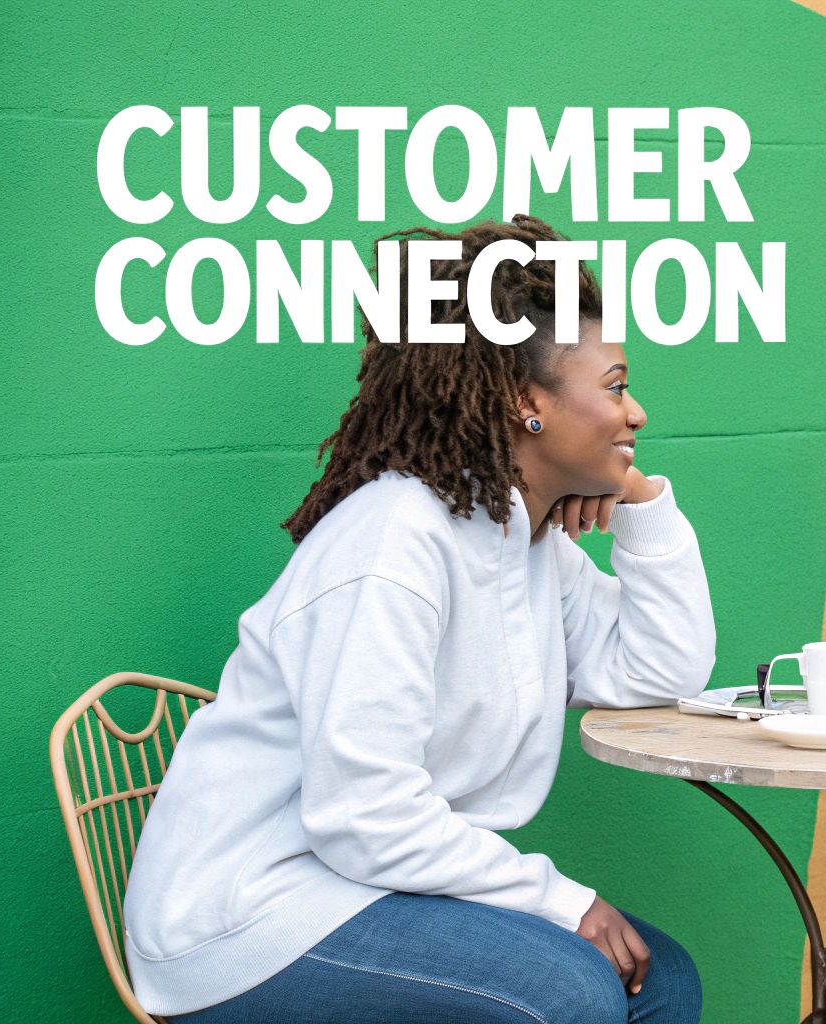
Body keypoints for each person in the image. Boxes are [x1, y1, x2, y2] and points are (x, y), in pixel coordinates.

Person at [122, 215, 715, 1024]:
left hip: (371, 888)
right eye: (614, 386)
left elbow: (657, 674)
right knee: (573, 993)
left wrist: (642, 505)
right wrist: (559, 900)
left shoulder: (520, 535)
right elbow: (364, 816)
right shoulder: (395, 541)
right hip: (252, 915)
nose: (635, 412)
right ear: (524, 401)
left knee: (662, 981)